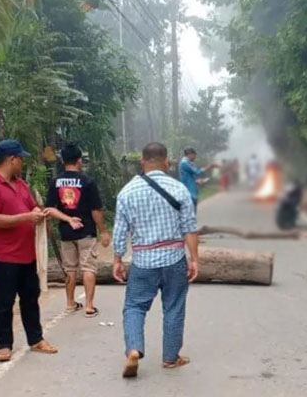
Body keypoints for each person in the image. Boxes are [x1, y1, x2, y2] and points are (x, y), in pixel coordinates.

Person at [113, 142, 200, 378]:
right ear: (167, 162)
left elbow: (120, 231)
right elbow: (190, 228)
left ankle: (133, 349)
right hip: (174, 260)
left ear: (142, 162)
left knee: (134, 307)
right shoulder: (179, 189)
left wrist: (118, 259)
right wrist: (194, 260)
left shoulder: (126, 192)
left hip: (143, 262)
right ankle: (171, 358)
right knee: (174, 307)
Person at [0, 139, 58, 362]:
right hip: (4, 255)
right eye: (20, 158)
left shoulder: (20, 184)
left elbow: (31, 205)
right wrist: (25, 217)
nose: (22, 162)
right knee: (5, 301)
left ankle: (36, 338)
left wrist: (39, 214)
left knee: (31, 297)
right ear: (11, 159)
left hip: (27, 253)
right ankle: (4, 344)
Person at [45, 143, 110, 318]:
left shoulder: (55, 182)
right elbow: (96, 210)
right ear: (79, 160)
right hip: (86, 231)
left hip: (66, 233)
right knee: (89, 267)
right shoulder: (87, 181)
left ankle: (70, 303)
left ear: (63, 160)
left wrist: (67, 219)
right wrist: (103, 230)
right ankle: (89, 306)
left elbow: (49, 209)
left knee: (70, 269)